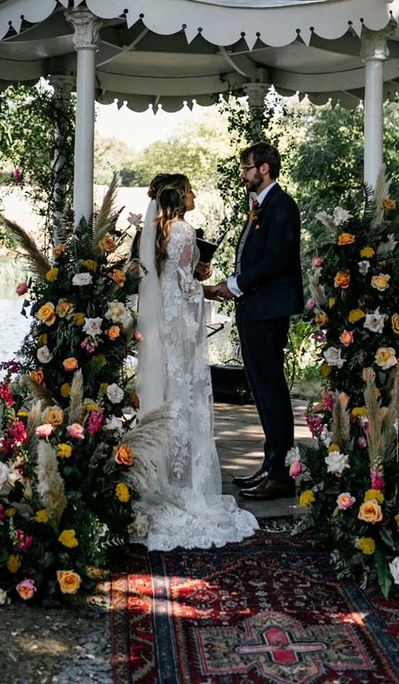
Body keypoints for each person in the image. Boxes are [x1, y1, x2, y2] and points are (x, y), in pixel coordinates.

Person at [134, 173, 259, 550]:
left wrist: (190, 276)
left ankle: (158, 472)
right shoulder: (185, 232)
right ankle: (186, 481)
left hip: (162, 328)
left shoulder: (156, 232)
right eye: (190, 190)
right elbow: (186, 285)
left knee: (168, 392)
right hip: (184, 326)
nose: (194, 195)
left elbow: (163, 278)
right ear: (178, 197)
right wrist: (207, 285)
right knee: (186, 396)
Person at [208, 142, 304, 501]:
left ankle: (279, 473)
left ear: (264, 168)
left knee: (271, 389)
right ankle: (270, 465)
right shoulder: (261, 207)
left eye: (247, 168)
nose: (243, 175)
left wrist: (233, 285)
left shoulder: (282, 206)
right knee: (261, 390)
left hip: (268, 310)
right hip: (255, 308)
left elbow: (277, 260)